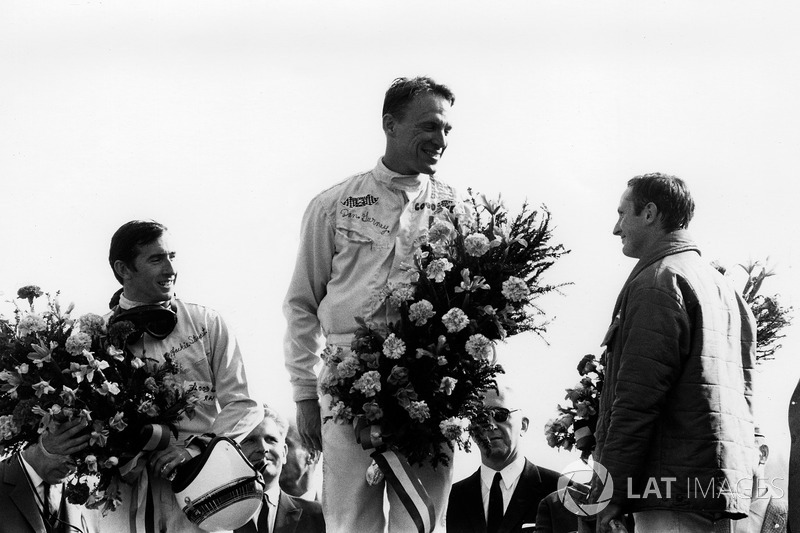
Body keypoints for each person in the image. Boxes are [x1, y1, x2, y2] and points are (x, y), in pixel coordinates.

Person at [283, 76, 457, 531]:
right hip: (345, 376)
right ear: (390, 125)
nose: (439, 140)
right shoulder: (334, 204)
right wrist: (304, 393)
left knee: (422, 520)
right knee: (348, 519)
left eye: (446, 130)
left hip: (426, 379)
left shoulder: (456, 207)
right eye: (429, 126)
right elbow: (302, 303)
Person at [591, 173, 757, 532]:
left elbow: (636, 401)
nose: (616, 228)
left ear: (649, 213)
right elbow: (745, 397)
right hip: (719, 492)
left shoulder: (657, 282)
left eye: (622, 214)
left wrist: (609, 492)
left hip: (669, 497)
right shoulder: (727, 290)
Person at [94, 219, 262, 532]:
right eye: (156, 259)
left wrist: (193, 449)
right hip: (122, 493)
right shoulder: (95, 336)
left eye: (172, 256)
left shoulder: (207, 323)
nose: (170, 268)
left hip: (199, 489)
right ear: (123, 269)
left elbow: (244, 406)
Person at [446, 378, 561, 533]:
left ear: (523, 425)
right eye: (481, 418)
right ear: (472, 431)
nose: (491, 425)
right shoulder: (457, 496)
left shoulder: (558, 489)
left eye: (500, 414)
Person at [236, 405, 325, 533]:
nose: (263, 447)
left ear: (284, 452)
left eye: (271, 440)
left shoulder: (320, 516)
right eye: (251, 440)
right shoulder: (221, 514)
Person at [0, 418, 95, 533]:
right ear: (41, 432)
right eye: (69, 457)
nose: (74, 470)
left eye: (80, 461)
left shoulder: (87, 488)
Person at [730, 430, 787, 533]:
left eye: (742, 450)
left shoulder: (789, 517)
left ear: (763, 454)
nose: (733, 459)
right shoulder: (715, 512)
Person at [279, 421, 320, 501]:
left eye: (286, 444)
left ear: (311, 455)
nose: (277, 452)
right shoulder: (255, 509)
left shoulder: (332, 509)